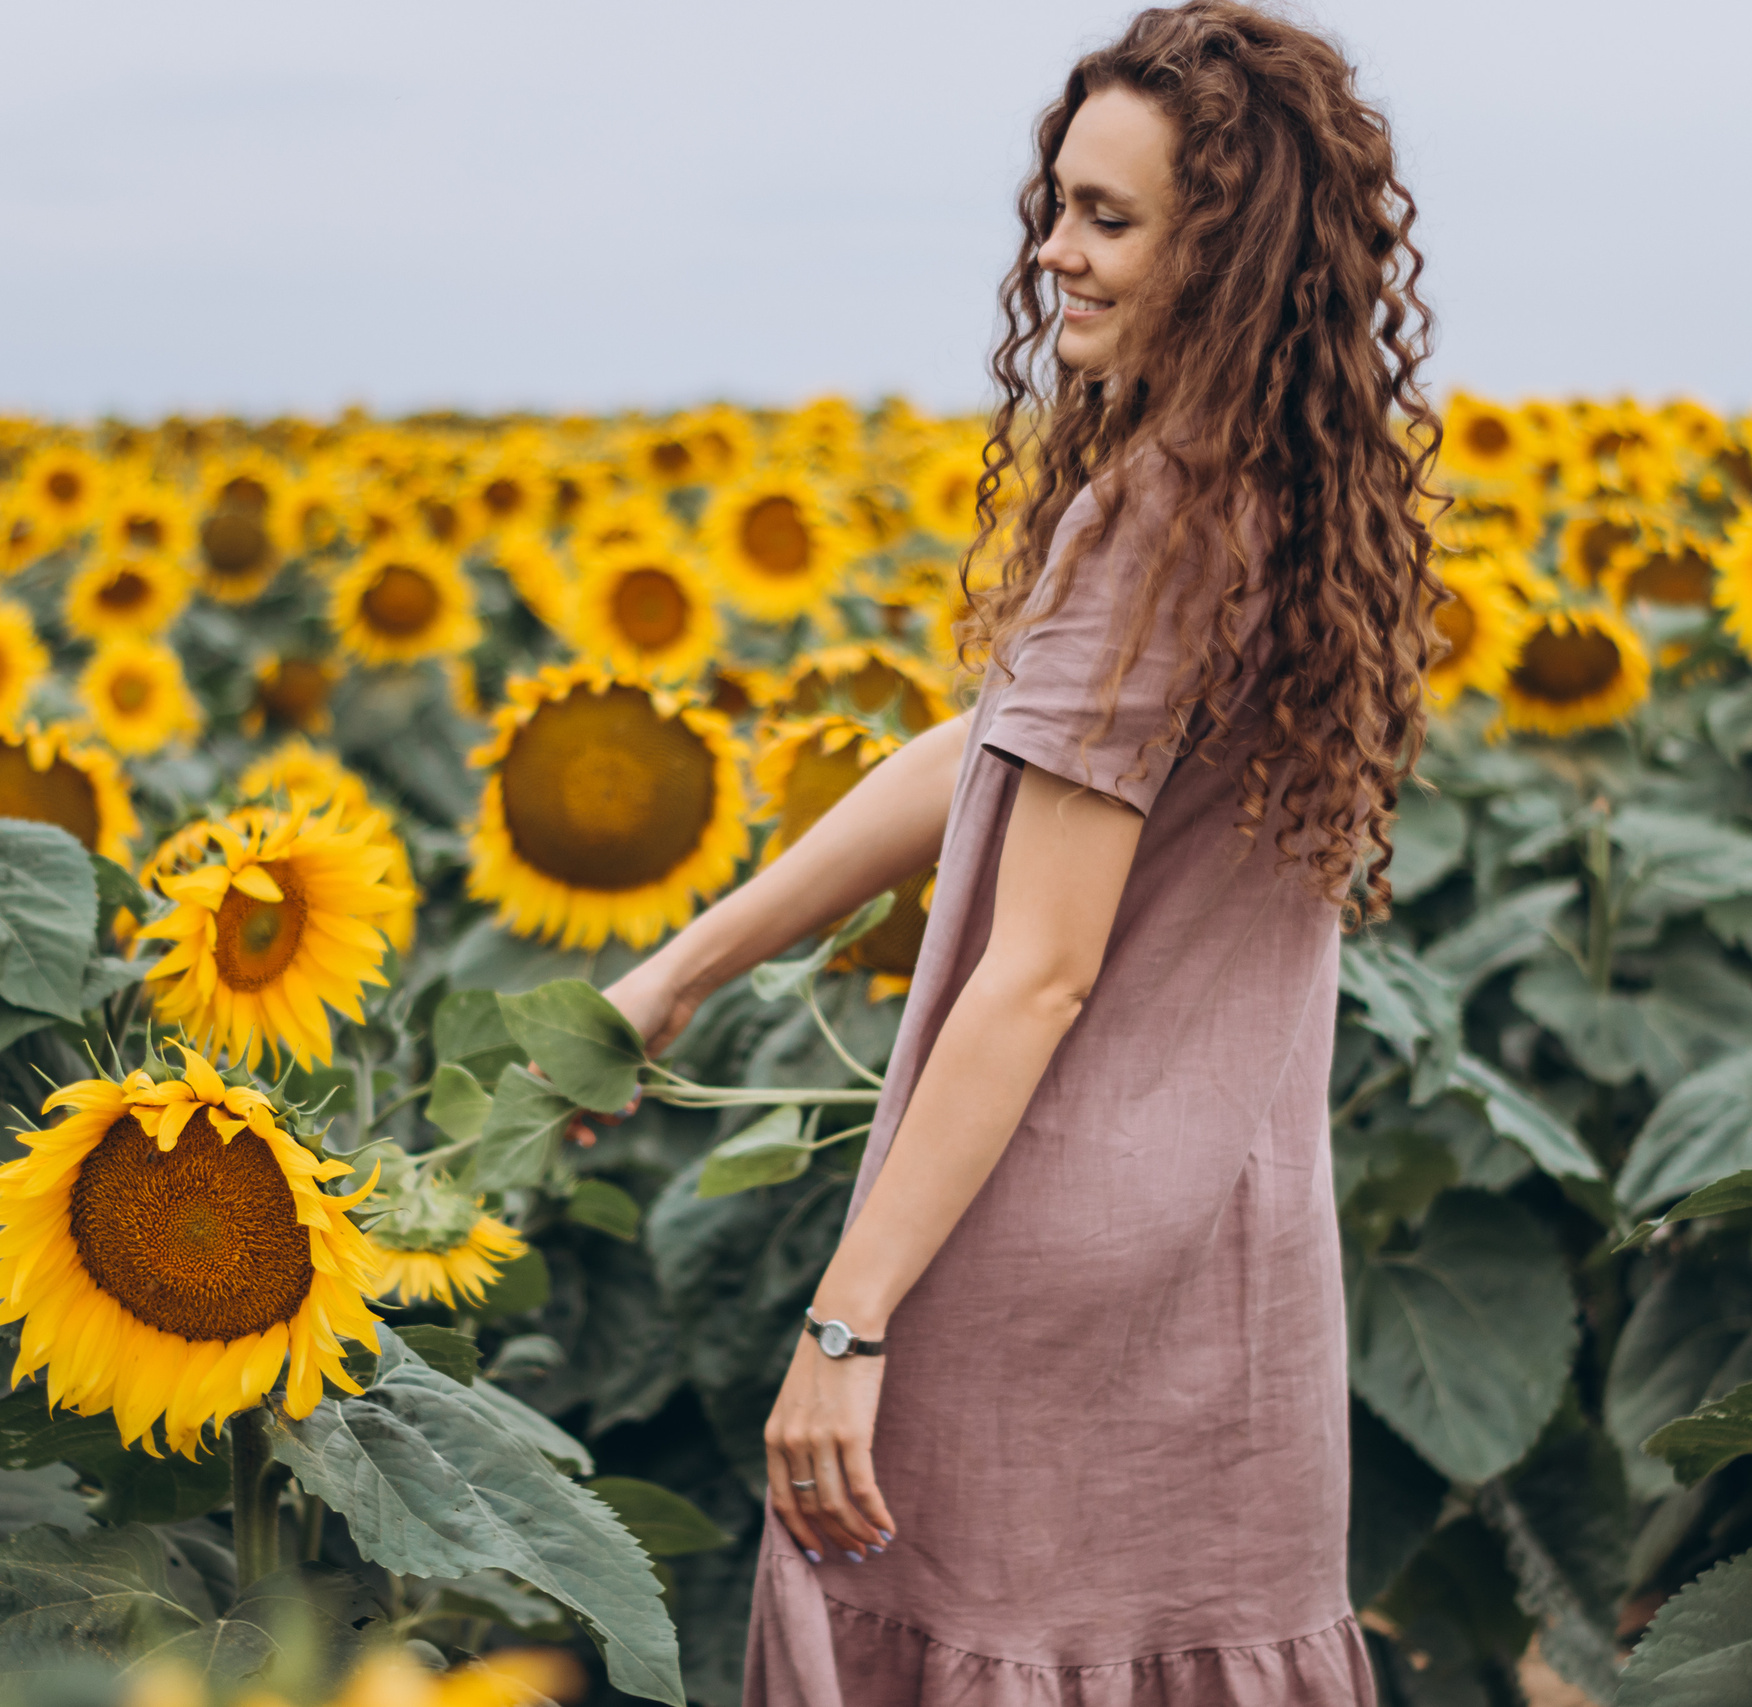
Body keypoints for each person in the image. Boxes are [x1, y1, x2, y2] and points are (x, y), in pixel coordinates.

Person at [597, 3, 1441, 1699]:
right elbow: (988, 753)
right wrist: (682, 971)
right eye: (1054, 205)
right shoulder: (1298, 500)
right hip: (1233, 1262)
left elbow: (1039, 974)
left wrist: (845, 1324)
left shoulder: (1155, 520)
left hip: (1035, 1256)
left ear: (1232, 246)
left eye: (1106, 219)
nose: (1052, 250)